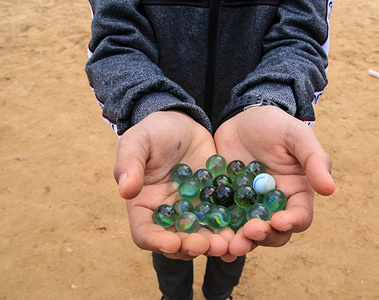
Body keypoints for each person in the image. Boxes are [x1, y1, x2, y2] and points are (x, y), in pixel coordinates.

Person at [85, 0, 335, 299]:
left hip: (249, 131)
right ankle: (174, 295)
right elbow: (114, 40)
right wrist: (151, 106)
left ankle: (220, 294)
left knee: (239, 233)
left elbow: (303, 36)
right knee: (170, 235)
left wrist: (269, 99)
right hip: (171, 138)